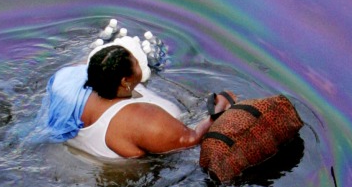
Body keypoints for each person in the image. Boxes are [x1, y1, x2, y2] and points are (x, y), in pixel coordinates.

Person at [36, 29, 235, 161]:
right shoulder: (140, 119)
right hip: (115, 175)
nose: (141, 64)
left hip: (67, 159)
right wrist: (218, 110)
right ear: (125, 81)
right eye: (137, 63)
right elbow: (190, 141)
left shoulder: (68, 79)